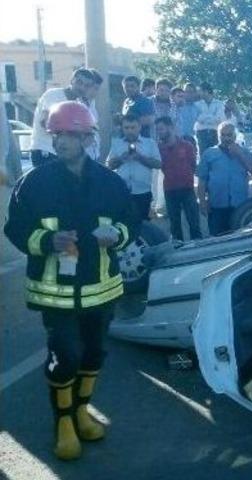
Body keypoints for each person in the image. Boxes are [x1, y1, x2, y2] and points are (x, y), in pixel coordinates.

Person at [4, 101, 136, 461]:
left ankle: (81, 410)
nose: (61, 141)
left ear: (87, 139)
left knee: (94, 353)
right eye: (57, 134)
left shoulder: (110, 183)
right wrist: (48, 241)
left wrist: (118, 234)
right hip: (55, 293)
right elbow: (15, 229)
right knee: (64, 355)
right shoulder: (34, 184)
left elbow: (131, 220)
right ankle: (63, 421)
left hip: (101, 289)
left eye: (69, 135)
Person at [196, 122, 252, 236]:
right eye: (223, 135)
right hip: (216, 206)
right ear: (218, 136)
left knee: (241, 239)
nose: (226, 138)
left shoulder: (244, 152)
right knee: (218, 239)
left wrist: (240, 155)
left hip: (239, 206)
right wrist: (202, 202)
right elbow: (202, 180)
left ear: (235, 136)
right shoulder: (209, 154)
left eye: (229, 135)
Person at [29, 68, 95, 167]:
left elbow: (89, 133)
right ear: (72, 80)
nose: (82, 87)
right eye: (79, 82)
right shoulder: (53, 95)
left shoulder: (80, 104)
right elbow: (46, 123)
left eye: (87, 86)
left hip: (64, 155)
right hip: (46, 151)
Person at [107, 114, 162, 222]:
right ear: (122, 128)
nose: (130, 131)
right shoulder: (117, 144)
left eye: (133, 127)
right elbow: (110, 165)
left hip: (143, 192)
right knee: (123, 224)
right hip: (122, 192)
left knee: (143, 225)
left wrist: (140, 157)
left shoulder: (150, 143)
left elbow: (158, 164)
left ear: (139, 127)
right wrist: (121, 158)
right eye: (126, 128)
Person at [156, 116, 201, 241]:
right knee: (175, 226)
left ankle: (198, 248)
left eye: (161, 129)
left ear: (170, 127)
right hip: (170, 189)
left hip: (187, 188)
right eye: (157, 130)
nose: (159, 132)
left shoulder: (187, 146)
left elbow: (193, 165)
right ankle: (178, 249)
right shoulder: (158, 148)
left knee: (194, 222)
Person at [194, 82, 226, 155]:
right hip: (201, 133)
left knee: (216, 153)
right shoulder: (197, 104)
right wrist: (212, 116)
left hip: (215, 132)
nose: (199, 93)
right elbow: (198, 118)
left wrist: (205, 117)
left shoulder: (219, 104)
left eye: (200, 91)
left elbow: (220, 119)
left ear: (206, 91)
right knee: (203, 154)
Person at [82, 69, 103, 162]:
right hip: (82, 155)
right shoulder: (75, 103)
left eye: (97, 89)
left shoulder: (92, 103)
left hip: (94, 154)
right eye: (95, 88)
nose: (96, 92)